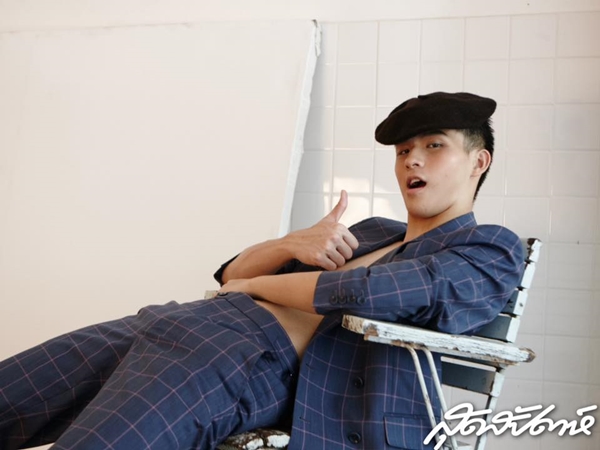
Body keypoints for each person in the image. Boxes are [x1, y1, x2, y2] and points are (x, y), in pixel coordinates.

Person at [0, 92, 524, 450]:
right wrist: (288, 244)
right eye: (404, 149)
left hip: (238, 356)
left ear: (478, 162)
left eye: (434, 146)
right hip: (168, 323)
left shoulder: (489, 246)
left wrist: (257, 285)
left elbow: (369, 292)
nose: (412, 160)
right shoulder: (371, 231)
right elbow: (231, 274)